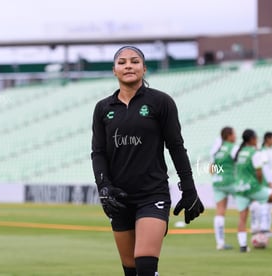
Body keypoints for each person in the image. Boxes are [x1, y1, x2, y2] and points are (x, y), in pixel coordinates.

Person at [91, 46, 204, 276]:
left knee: (145, 265)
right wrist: (103, 187)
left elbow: (176, 147)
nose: (128, 66)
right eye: (122, 62)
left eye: (134, 61)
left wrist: (189, 188)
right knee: (131, 270)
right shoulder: (103, 108)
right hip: (118, 198)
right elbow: (98, 152)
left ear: (144, 68)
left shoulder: (161, 102)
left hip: (152, 195)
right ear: (114, 70)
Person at [234, 129, 272, 252]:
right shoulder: (255, 153)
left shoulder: (240, 152)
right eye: (256, 137)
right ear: (252, 139)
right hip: (252, 187)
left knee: (242, 218)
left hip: (240, 188)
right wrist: (261, 184)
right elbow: (259, 172)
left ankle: (243, 246)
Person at [210, 127, 238, 250]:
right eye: (234, 134)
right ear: (229, 135)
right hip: (231, 180)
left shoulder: (217, 149)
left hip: (217, 182)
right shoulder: (233, 148)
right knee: (251, 202)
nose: (236, 136)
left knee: (220, 211)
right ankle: (259, 232)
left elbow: (211, 170)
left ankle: (220, 243)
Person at [250, 132, 272, 235]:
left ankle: (261, 227)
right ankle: (263, 228)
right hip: (267, 182)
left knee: (268, 205)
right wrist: (269, 183)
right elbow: (265, 169)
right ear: (267, 139)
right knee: (265, 204)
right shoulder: (263, 152)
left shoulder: (269, 151)